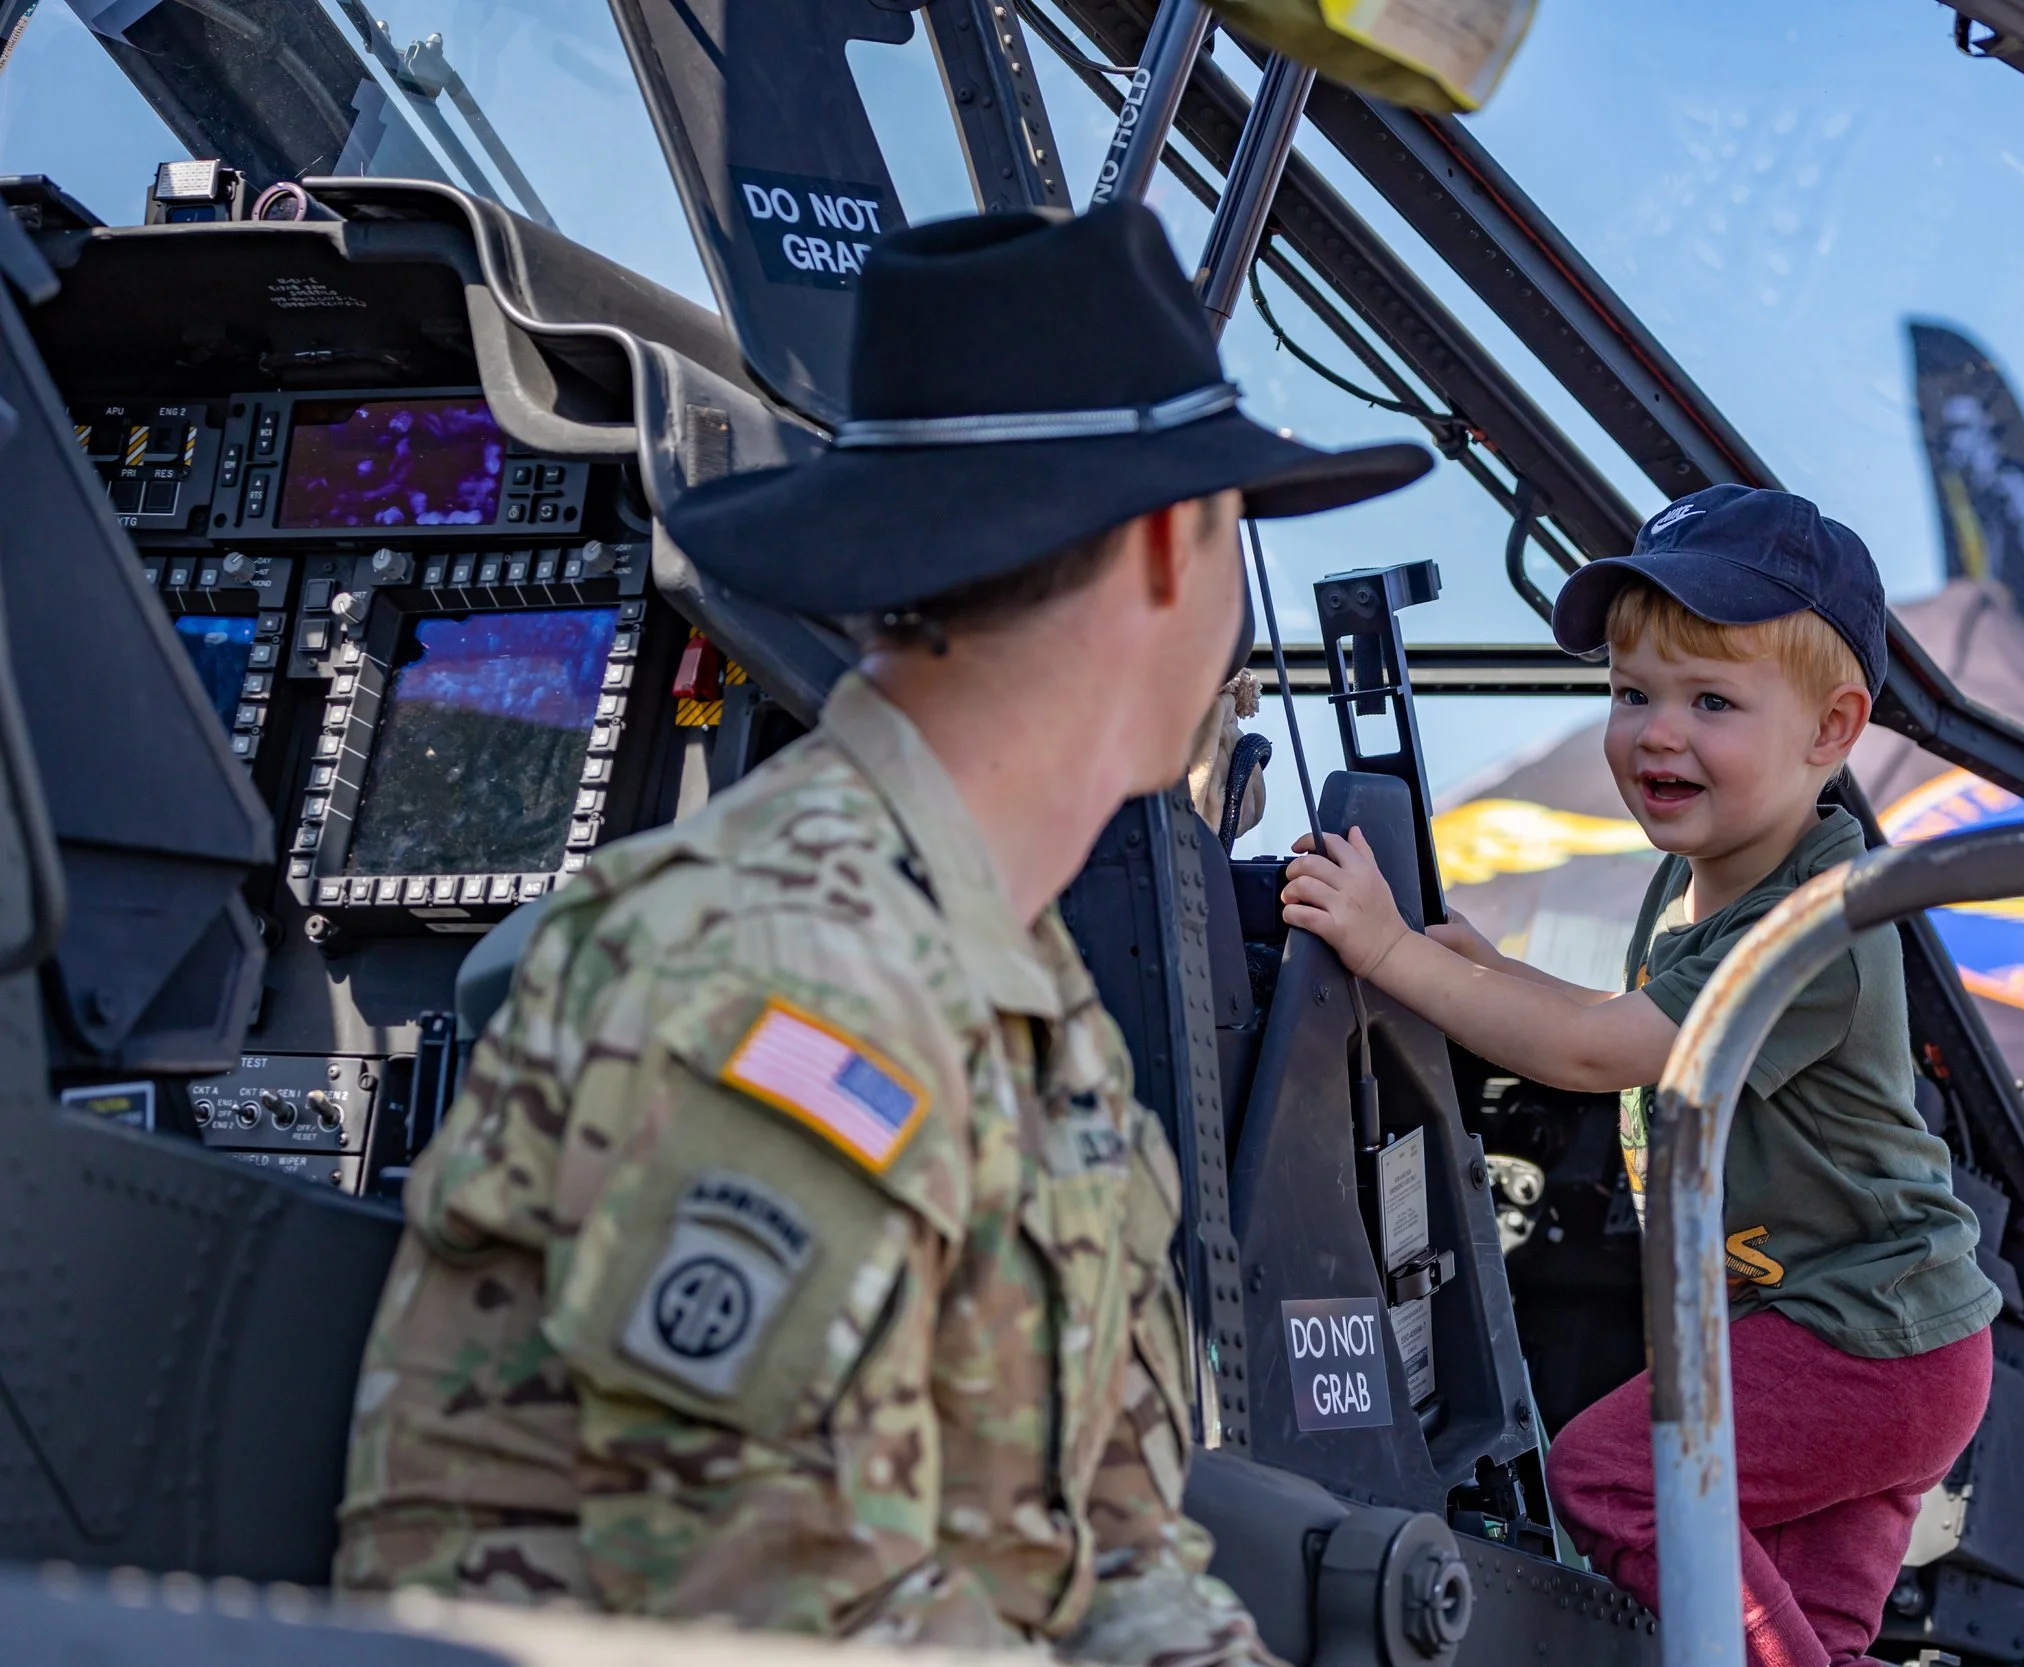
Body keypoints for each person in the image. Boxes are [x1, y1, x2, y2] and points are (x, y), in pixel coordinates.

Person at [331, 203, 1430, 1659]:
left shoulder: (1021, 991)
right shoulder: (784, 965)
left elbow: (1106, 1546)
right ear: (1174, 550)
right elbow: (759, 1594)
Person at [1280, 485, 2000, 1667]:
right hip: (1850, 1331)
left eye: (1710, 700)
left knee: (1618, 1476)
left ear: (1831, 729)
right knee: (1810, 1640)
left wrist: (1390, 951)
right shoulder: (1702, 882)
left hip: (1864, 1339)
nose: (1655, 731)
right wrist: (1492, 970)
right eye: (1631, 695)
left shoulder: (1816, 919)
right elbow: (1622, 1019)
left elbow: (1592, 1051)